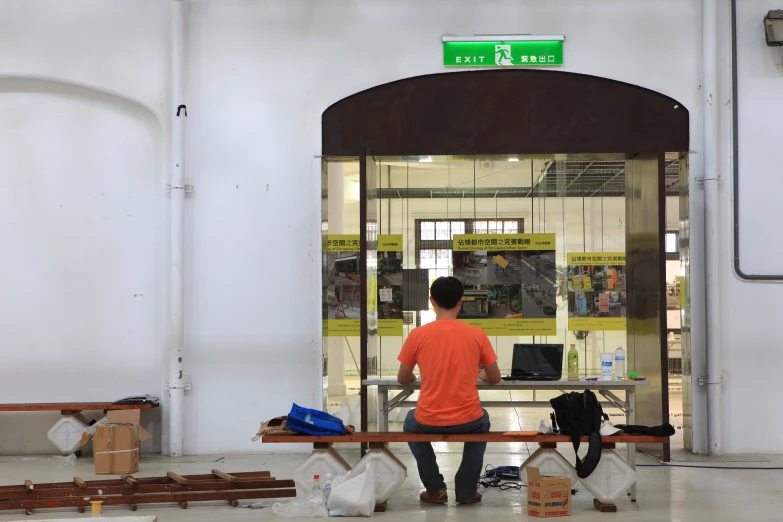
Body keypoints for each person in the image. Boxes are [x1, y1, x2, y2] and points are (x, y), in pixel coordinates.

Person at [397, 276, 501, 505]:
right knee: (482, 421)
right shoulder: (476, 334)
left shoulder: (417, 335)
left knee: (408, 423)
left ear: (431, 301)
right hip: (469, 419)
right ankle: (465, 490)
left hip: (427, 419)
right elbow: (495, 378)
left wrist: (415, 375)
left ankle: (434, 488)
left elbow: (402, 379)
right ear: (460, 302)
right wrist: (481, 374)